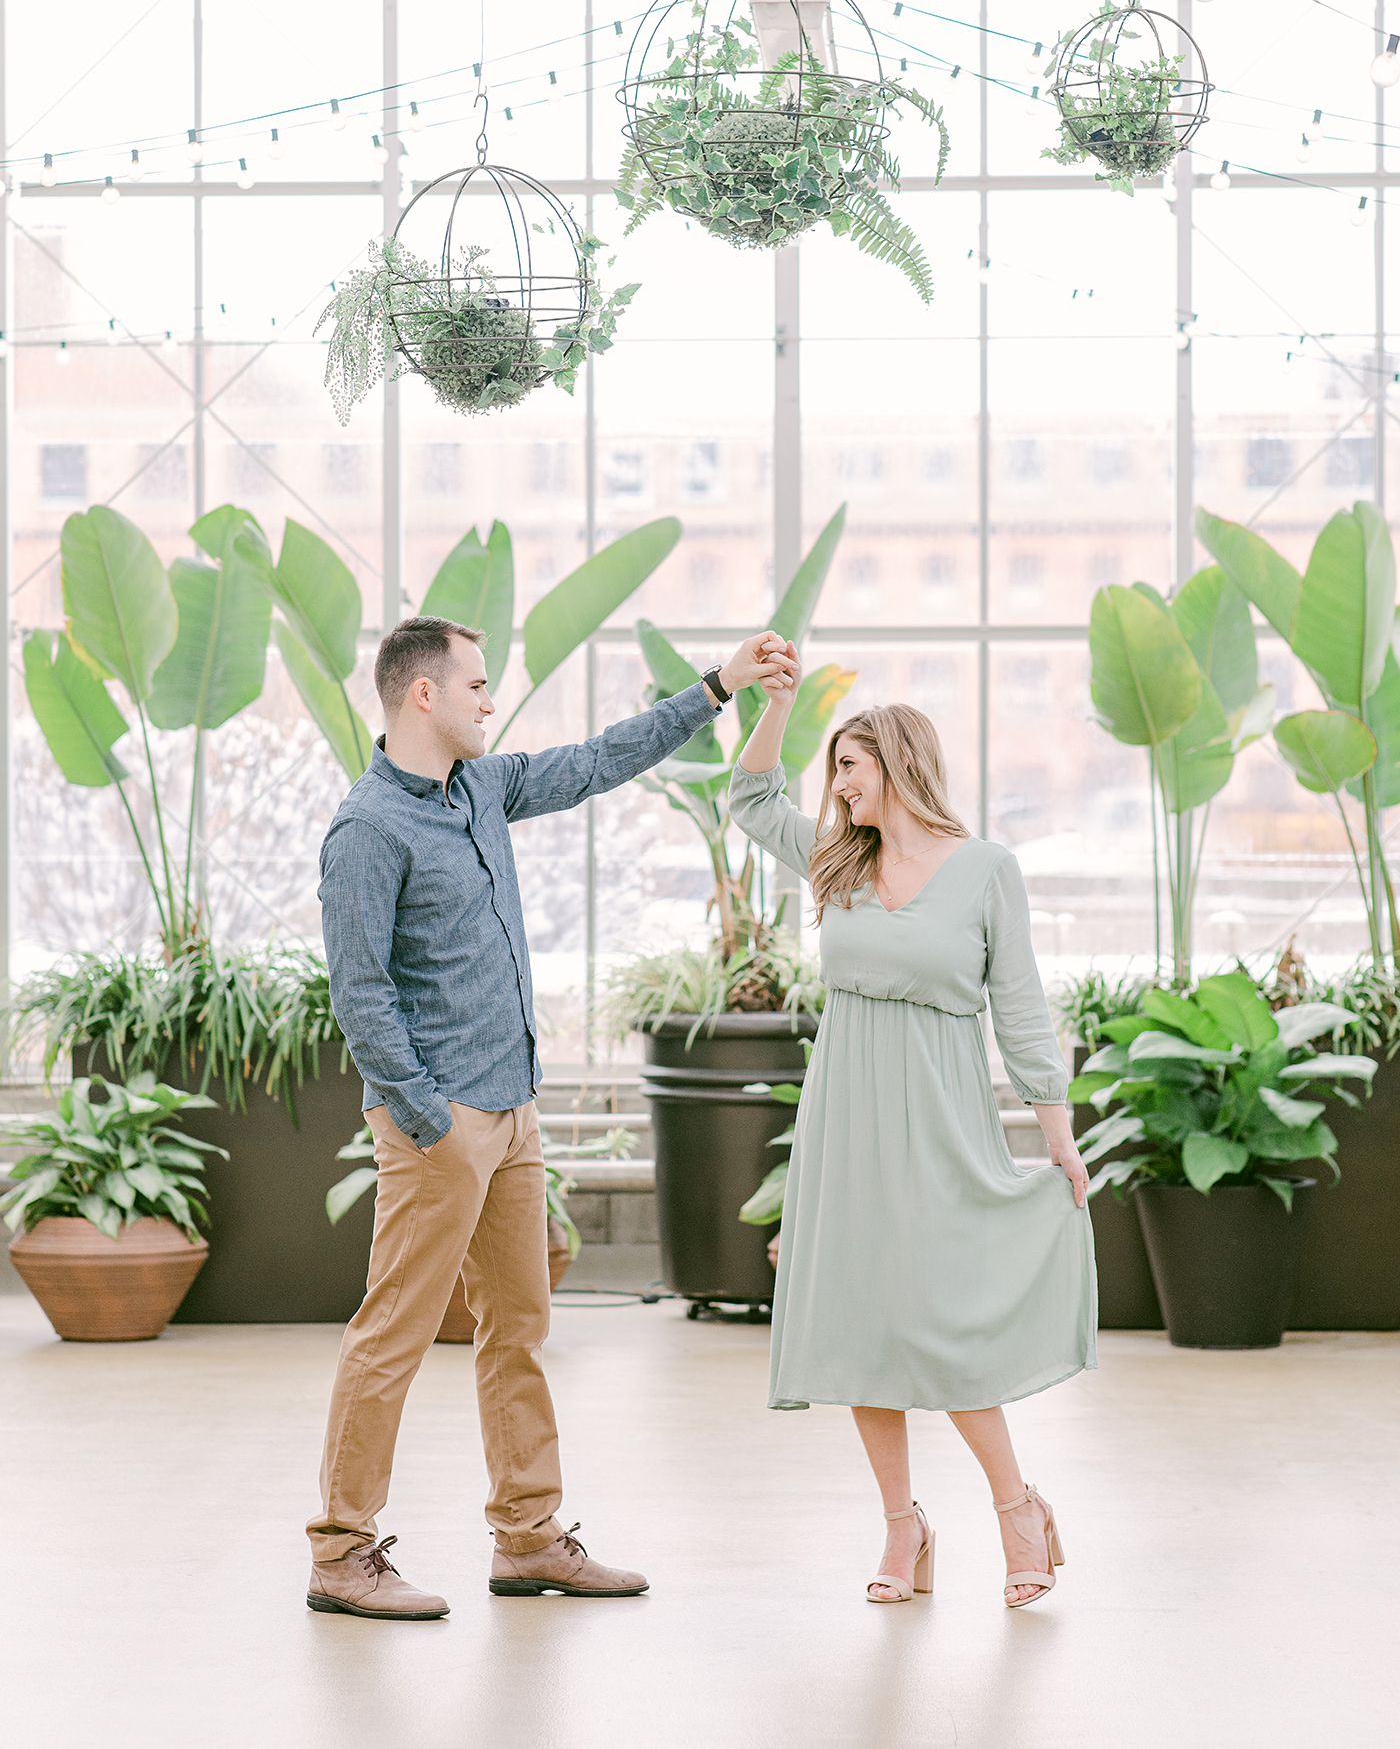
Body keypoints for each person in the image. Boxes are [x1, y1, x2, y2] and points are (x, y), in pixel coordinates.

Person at [306, 615, 795, 1620]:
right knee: (390, 1335)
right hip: (441, 1123)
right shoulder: (366, 830)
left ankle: (528, 1538)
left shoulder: (481, 787)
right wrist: (429, 1117)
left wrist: (716, 686)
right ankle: (341, 1552)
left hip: (513, 1110)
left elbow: (597, 760)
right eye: (477, 686)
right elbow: (360, 995)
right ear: (423, 696)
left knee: (518, 1329)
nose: (491, 701)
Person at [729, 655, 1095, 1609]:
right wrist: (777, 705)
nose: (839, 784)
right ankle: (902, 1526)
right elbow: (749, 794)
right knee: (861, 1318)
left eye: (852, 766)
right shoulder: (836, 861)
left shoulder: (984, 872)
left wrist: (1054, 1130)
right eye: (836, 769)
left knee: (942, 1319)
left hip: (941, 1115)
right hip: (846, 1115)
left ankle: (1016, 1507)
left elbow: (1019, 1007)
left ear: (899, 765)